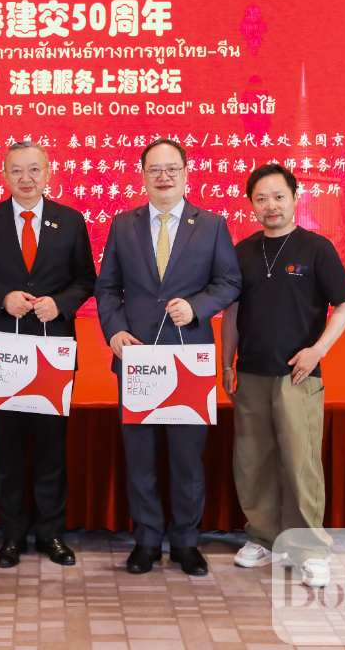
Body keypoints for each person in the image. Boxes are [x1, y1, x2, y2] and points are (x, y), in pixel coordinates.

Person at [94, 139, 241, 576]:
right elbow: (107, 288)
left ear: (186, 173)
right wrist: (114, 330)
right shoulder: (123, 224)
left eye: (172, 168)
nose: (163, 176)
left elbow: (229, 282)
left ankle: (186, 542)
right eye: (154, 169)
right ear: (142, 175)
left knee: (186, 458)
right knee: (140, 457)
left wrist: (197, 307)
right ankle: (146, 541)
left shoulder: (211, 224)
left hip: (187, 359)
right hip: (137, 358)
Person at [0, 141, 98, 568]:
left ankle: (51, 535)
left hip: (53, 350)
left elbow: (86, 279)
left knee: (52, 449)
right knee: (7, 451)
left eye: (34, 169)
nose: (26, 178)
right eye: (17, 170)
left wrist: (62, 304)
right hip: (4, 352)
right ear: (4, 175)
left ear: (48, 173)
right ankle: (12, 536)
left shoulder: (70, 220)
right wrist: (2, 298)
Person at [220, 163, 345, 590]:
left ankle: (310, 550)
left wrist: (318, 351)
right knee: (252, 460)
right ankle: (262, 537)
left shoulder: (317, 249)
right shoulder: (242, 251)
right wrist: (227, 362)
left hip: (297, 375)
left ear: (296, 198)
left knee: (301, 463)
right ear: (251, 205)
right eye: (261, 199)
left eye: (279, 196)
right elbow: (232, 312)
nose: (271, 205)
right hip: (250, 373)